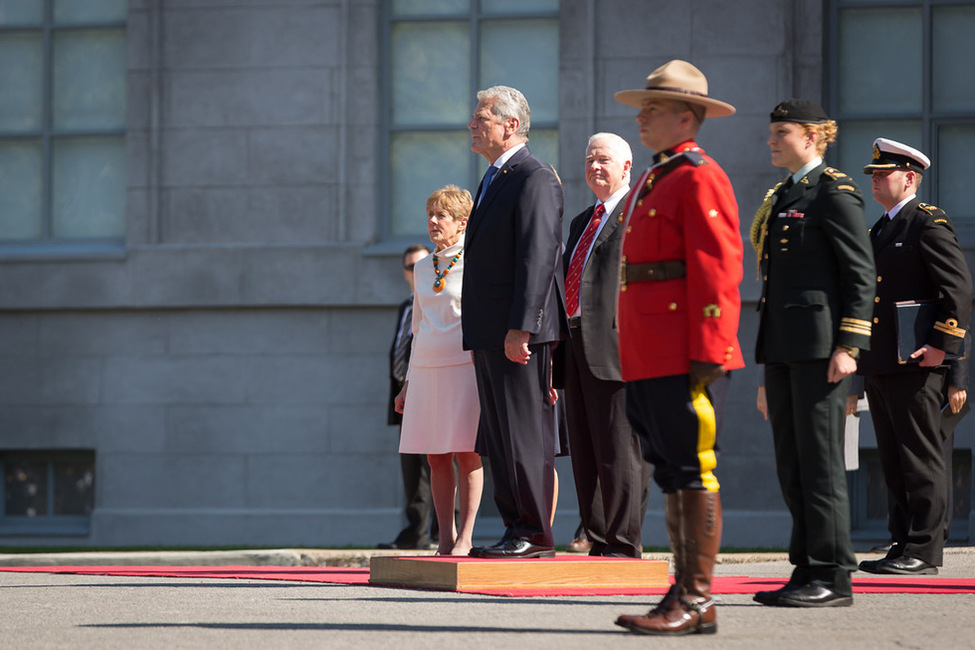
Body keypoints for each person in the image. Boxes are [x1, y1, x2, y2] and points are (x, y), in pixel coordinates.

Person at [611, 60, 743, 636]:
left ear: (686, 117)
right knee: (670, 469)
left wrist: (711, 348)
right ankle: (688, 594)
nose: (640, 117)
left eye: (653, 109)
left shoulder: (697, 176)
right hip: (647, 348)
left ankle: (695, 595)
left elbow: (719, 269)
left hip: (679, 349)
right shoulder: (656, 176)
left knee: (692, 467)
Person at [750, 99, 876, 608]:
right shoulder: (784, 194)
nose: (772, 140)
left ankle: (833, 577)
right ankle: (806, 570)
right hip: (783, 346)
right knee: (793, 463)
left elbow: (860, 274)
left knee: (821, 464)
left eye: (782, 132)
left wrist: (850, 345)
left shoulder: (833, 192)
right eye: (772, 131)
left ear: (812, 136)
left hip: (823, 349)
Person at [856, 138, 972, 576]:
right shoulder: (881, 228)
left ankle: (924, 550)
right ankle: (902, 541)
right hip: (884, 362)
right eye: (872, 174)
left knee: (921, 458)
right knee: (894, 459)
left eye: (883, 174)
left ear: (910, 178)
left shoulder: (927, 223)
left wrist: (943, 347)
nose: (875, 181)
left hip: (919, 363)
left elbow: (958, 291)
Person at [461, 85, 567, 559]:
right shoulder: (493, 177)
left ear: (510, 125)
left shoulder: (534, 176)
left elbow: (538, 257)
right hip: (489, 330)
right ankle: (514, 528)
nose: (472, 124)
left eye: (481, 117)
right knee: (500, 435)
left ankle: (535, 531)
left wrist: (522, 327)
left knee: (523, 431)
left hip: (517, 332)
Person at [556, 132, 651, 558]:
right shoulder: (581, 221)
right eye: (590, 159)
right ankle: (594, 536)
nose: (595, 166)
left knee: (620, 449)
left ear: (627, 166)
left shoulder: (639, 212)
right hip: (576, 345)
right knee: (586, 450)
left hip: (618, 348)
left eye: (605, 160)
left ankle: (623, 541)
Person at [395, 186, 484, 556]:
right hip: (427, 370)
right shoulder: (421, 267)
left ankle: (465, 537)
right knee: (434, 455)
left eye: (442, 215)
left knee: (467, 453)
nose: (433, 222)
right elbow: (418, 328)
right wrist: (407, 385)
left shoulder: (477, 260)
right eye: (430, 214)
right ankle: (444, 538)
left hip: (463, 367)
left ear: (462, 222)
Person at [379, 244, 437, 551]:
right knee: (412, 468)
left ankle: (443, 532)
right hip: (406, 395)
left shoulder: (437, 301)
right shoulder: (407, 305)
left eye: (421, 265)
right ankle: (416, 531)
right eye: (410, 267)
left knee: (441, 462)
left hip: (434, 391)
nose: (416, 272)